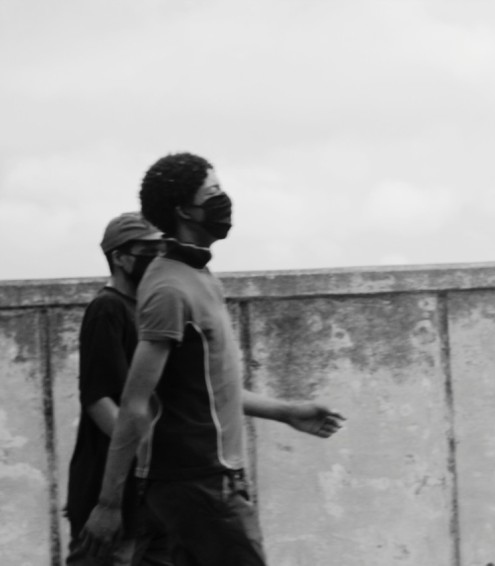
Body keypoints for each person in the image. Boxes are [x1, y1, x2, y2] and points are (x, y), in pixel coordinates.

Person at [80, 152, 345, 566]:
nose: (224, 200)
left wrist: (288, 410)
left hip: (205, 482)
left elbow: (210, 386)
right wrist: (109, 503)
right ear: (185, 210)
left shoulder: (199, 277)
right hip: (198, 484)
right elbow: (133, 402)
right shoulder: (169, 288)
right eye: (213, 192)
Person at [65, 212, 171, 566]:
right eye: (148, 249)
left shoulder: (148, 310)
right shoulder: (106, 309)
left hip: (149, 499)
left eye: (161, 248)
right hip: (108, 494)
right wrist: (146, 452)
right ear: (120, 258)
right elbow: (99, 402)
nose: (158, 256)